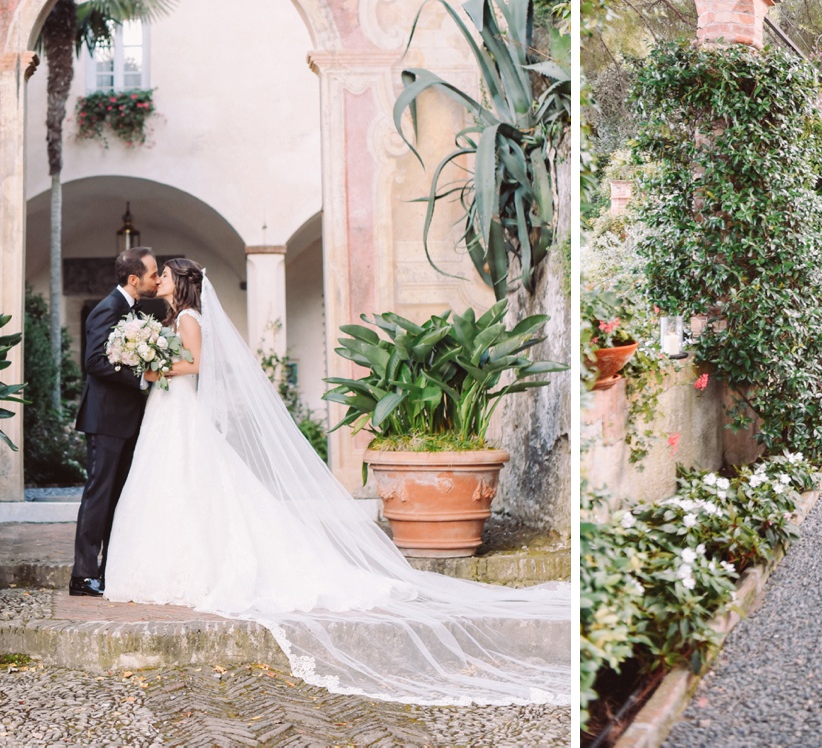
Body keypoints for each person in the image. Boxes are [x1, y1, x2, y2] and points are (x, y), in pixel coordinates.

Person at [101, 259, 569, 707]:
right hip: (169, 411)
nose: (157, 278)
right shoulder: (179, 316)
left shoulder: (189, 320)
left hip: (179, 409)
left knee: (193, 481)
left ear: (178, 282)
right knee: (174, 483)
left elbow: (195, 366)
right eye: (156, 272)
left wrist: (151, 367)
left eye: (163, 274)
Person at [69, 246, 160, 597]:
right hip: (106, 419)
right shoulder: (105, 309)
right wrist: (141, 378)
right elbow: (94, 362)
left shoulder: (134, 311)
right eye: (153, 274)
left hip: (128, 420)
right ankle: (83, 575)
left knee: (119, 498)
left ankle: (109, 569)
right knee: (99, 496)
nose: (156, 279)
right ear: (134, 279)